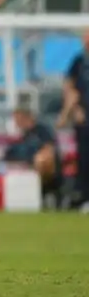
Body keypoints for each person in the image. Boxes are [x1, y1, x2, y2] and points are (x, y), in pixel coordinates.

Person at [57, 30, 89, 212]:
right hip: (84, 117)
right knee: (84, 159)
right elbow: (70, 86)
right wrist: (73, 111)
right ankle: (83, 197)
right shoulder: (80, 61)